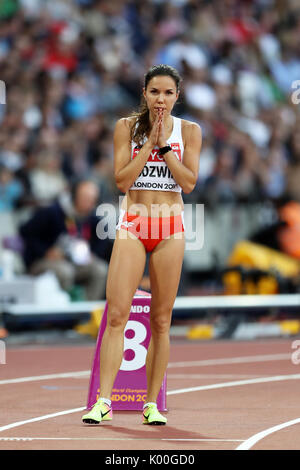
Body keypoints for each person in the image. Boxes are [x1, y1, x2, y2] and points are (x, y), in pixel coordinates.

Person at [82, 64, 202, 425]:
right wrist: (147, 143)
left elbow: (189, 182)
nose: (160, 99)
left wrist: (164, 147)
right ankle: (104, 401)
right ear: (144, 94)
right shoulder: (125, 127)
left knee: (161, 320)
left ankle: (151, 404)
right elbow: (121, 181)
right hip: (133, 224)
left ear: (177, 95)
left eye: (167, 93)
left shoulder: (191, 131)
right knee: (117, 313)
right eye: (154, 92)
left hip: (170, 228)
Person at [19, 179, 111, 301]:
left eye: (92, 199)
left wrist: (93, 254)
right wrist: (45, 251)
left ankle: (88, 313)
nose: (89, 203)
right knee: (65, 271)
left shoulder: (92, 217)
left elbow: (103, 239)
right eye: (85, 198)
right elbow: (25, 232)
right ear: (74, 196)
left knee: (100, 269)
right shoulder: (52, 212)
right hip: (43, 261)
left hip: (74, 261)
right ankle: (66, 316)